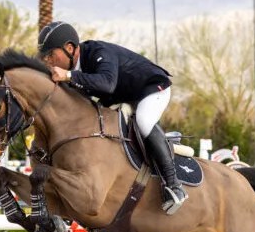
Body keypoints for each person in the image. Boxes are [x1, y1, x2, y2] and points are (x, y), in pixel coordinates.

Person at [37, 21, 188, 214]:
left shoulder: (97, 52)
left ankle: (174, 185)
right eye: (45, 57)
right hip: (124, 97)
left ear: (70, 48)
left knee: (143, 121)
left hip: (151, 88)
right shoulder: (72, 70)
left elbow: (107, 84)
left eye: (51, 54)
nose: (48, 60)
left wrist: (68, 75)